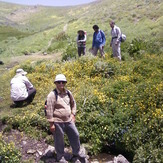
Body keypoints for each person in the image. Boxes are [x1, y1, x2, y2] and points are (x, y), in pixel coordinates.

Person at [46, 74, 86, 163]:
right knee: (59, 139)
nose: (61, 84)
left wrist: (73, 114)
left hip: (69, 120)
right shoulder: (52, 95)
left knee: (75, 135)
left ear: (65, 83)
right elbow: (49, 110)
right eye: (59, 82)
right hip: (57, 121)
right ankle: (60, 157)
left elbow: (73, 103)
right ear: (55, 83)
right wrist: (51, 124)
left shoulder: (68, 92)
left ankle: (77, 152)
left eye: (63, 82)